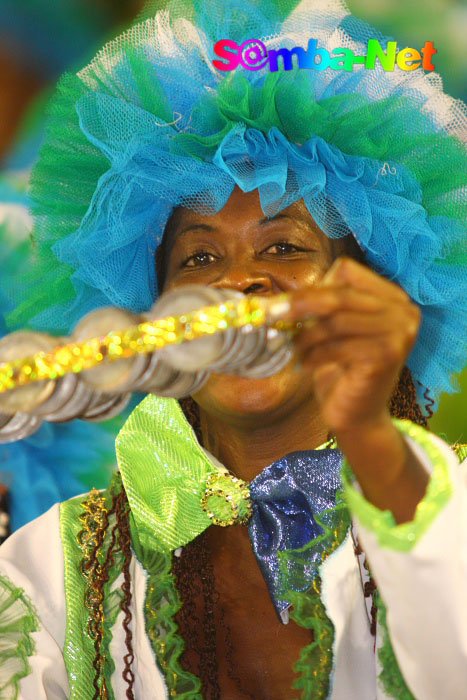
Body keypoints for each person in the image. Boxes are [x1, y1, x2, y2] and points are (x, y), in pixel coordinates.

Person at [0, 1, 466, 698]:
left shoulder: (451, 508)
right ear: (152, 313)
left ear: (368, 297)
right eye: (197, 259)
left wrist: (370, 435)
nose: (237, 282)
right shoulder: (47, 568)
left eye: (283, 246)